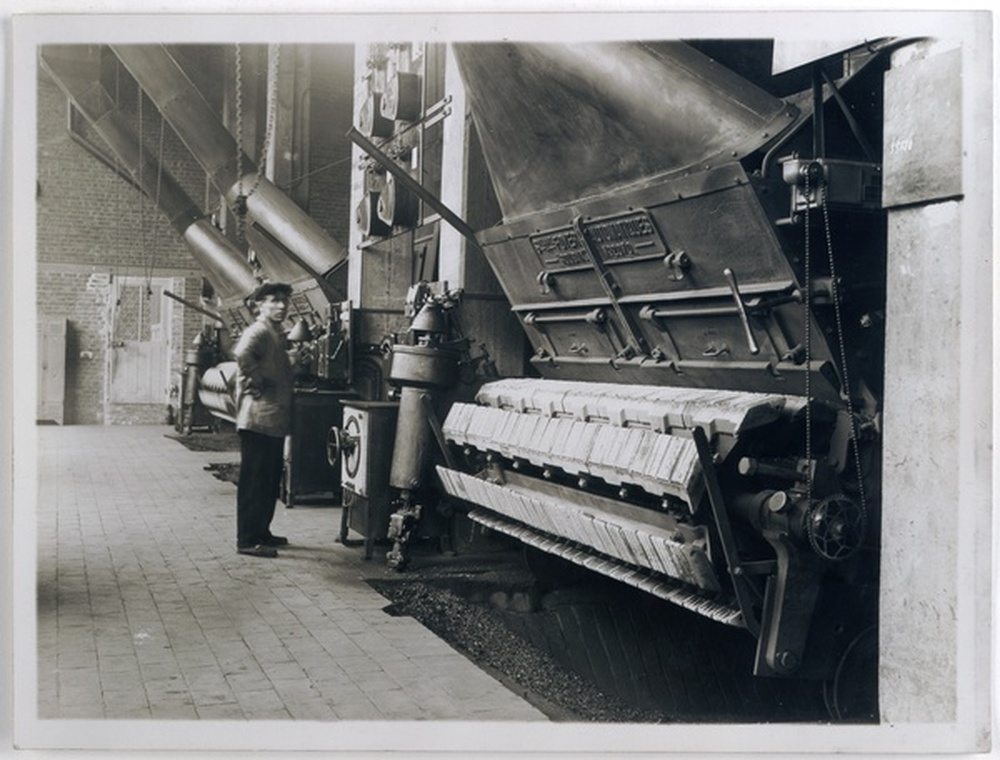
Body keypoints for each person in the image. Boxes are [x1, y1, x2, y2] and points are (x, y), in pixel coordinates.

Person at [233, 281, 295, 558]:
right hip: (258, 419)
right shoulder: (258, 331)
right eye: (274, 301)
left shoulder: (275, 333)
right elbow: (241, 354)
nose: (281, 306)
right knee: (255, 481)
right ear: (260, 305)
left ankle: (262, 532)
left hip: (272, 421)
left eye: (284, 301)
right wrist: (256, 381)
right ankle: (247, 540)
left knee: (269, 479)